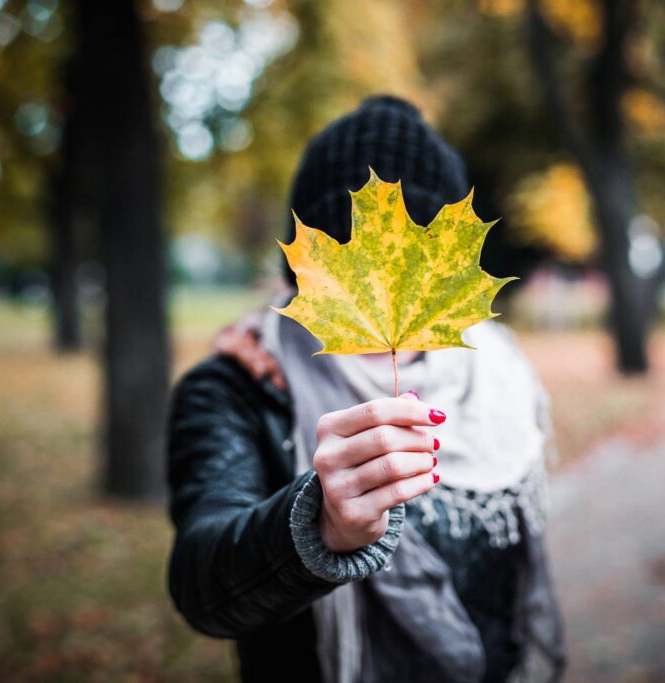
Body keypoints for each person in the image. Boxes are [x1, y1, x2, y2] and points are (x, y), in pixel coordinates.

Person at [167, 95, 567, 683]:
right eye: (352, 274)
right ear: (298, 274)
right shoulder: (239, 387)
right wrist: (316, 528)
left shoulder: (498, 374)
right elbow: (204, 587)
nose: (385, 293)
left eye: (414, 270)